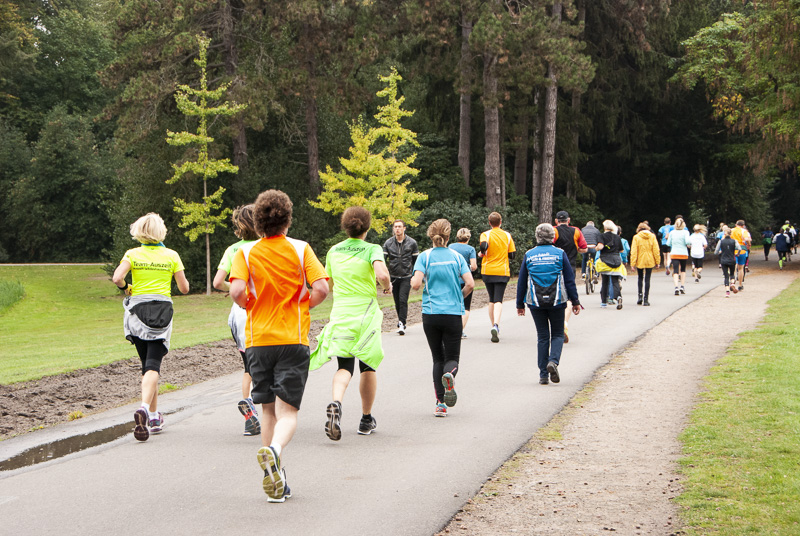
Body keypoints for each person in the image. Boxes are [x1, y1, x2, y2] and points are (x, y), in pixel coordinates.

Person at [229, 189, 330, 503]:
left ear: (258, 222)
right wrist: (306, 304)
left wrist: (250, 305)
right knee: (289, 413)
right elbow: (322, 288)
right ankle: (274, 451)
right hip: (292, 338)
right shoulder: (300, 249)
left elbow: (236, 292)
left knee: (268, 410)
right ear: (287, 219)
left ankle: (275, 480)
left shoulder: (244, 254)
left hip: (259, 342)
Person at [310, 207, 392, 441]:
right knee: (367, 366)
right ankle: (366, 419)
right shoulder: (372, 249)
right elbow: (383, 275)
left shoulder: (334, 251)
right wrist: (386, 287)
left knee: (344, 366)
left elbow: (329, 282)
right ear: (367, 227)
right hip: (365, 312)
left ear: (345, 226)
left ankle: (336, 402)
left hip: (342, 312)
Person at [112, 213, 190, 442]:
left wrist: (127, 287)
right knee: (154, 366)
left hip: (137, 314)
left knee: (147, 367)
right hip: (161, 314)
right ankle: (145, 409)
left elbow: (117, 278)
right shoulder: (172, 255)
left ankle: (155, 418)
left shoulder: (133, 254)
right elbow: (184, 288)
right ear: (161, 232)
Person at [411, 219, 474, 417]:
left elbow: (415, 284)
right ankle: (450, 375)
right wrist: (459, 297)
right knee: (452, 357)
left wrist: (416, 279)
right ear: (448, 236)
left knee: (437, 358)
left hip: (431, 314)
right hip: (453, 312)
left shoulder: (425, 257)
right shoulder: (456, 257)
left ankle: (440, 404)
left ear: (431, 236)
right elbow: (470, 284)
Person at [212, 205, 261, 436]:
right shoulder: (267, 245)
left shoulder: (233, 250)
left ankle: (249, 410)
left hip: (239, 311)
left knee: (248, 366)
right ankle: (275, 412)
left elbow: (217, 282)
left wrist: (236, 288)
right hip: (264, 307)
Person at [516, 223, 581, 385]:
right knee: (558, 334)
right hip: (557, 300)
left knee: (543, 336)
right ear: (553, 236)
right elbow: (569, 280)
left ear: (537, 236)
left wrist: (520, 304)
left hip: (535, 301)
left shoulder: (529, 255)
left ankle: (543, 374)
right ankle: (553, 361)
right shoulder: (560, 253)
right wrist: (575, 301)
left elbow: (522, 281)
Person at [478, 212, 516, 342]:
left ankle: (493, 325)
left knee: (491, 299)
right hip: (502, 270)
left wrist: (482, 253)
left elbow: (483, 245)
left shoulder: (485, 234)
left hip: (488, 269)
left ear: (489, 222)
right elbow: (512, 255)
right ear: (501, 222)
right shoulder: (507, 235)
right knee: (498, 299)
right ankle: (496, 325)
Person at [553, 210, 587, 343]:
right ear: (569, 220)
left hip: (555, 267)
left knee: (555, 295)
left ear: (556, 221)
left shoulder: (553, 231)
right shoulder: (576, 231)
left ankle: (556, 325)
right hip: (570, 267)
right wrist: (577, 248)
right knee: (567, 297)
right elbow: (583, 248)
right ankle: (564, 324)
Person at [383, 219, 419, 335]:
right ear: (393, 229)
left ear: (404, 228)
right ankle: (401, 321)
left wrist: (415, 276)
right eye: (395, 227)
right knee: (397, 301)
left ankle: (401, 323)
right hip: (393, 277)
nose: (397, 229)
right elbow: (383, 262)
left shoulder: (412, 243)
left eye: (399, 226)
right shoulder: (388, 243)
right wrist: (385, 279)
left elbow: (416, 262)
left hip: (406, 276)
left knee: (403, 300)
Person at [448, 228, 478, 338]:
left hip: (452, 280)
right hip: (465, 281)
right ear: (468, 237)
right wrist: (466, 268)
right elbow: (474, 266)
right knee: (465, 307)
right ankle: (459, 330)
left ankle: (450, 328)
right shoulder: (470, 249)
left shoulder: (451, 247)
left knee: (452, 305)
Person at [594, 220, 626, 309]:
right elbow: (621, 250)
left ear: (605, 227)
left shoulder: (602, 236)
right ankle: (618, 297)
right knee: (615, 281)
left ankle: (603, 302)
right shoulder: (617, 237)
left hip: (605, 261)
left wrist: (596, 248)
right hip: (616, 260)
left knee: (605, 282)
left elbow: (600, 246)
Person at [629, 222, 660, 306]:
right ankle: (646, 299)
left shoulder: (636, 237)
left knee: (640, 277)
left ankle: (640, 296)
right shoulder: (652, 236)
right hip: (650, 259)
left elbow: (634, 251)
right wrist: (657, 262)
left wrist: (632, 263)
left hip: (640, 259)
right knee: (647, 279)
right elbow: (656, 250)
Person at [667, 218, 691, 295]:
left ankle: (676, 286)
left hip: (674, 253)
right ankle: (682, 286)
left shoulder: (672, 232)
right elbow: (687, 242)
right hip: (683, 253)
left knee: (675, 270)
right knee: (683, 270)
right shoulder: (686, 232)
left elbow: (668, 243)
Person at [716, 226, 742, 297]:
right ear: (731, 234)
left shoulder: (721, 241)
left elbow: (716, 251)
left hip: (723, 260)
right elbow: (739, 248)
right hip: (732, 259)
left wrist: (720, 252)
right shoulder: (734, 241)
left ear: (724, 233)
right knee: (732, 273)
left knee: (726, 275)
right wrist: (737, 253)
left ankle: (727, 291)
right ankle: (732, 283)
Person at [730, 220, 751, 291]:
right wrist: (748, 244)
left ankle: (732, 282)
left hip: (732, 250)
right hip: (741, 250)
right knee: (741, 268)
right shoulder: (744, 231)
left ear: (736, 224)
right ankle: (740, 285)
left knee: (733, 267)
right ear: (743, 225)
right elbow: (746, 239)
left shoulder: (731, 230)